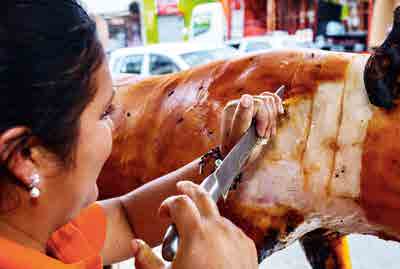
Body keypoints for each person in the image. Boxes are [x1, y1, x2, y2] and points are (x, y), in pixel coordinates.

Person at [0, 1, 283, 269]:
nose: (113, 127)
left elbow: (127, 218)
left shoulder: (34, 229)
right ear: (27, 157)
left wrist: (226, 158)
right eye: (103, 113)